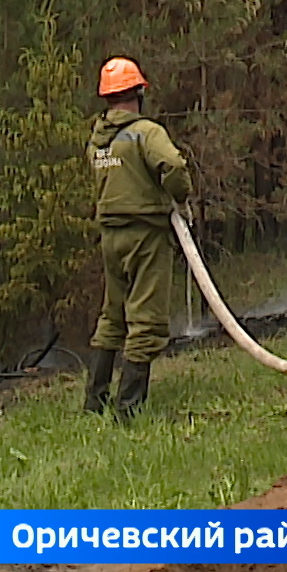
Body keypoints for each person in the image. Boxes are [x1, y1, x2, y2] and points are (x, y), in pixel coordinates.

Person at [85, 57, 193, 422]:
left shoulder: (98, 139)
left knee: (112, 317)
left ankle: (94, 401)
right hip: (144, 236)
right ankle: (127, 412)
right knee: (145, 320)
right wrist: (180, 197)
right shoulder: (146, 132)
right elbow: (174, 167)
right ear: (138, 92)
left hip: (110, 237)